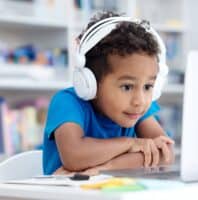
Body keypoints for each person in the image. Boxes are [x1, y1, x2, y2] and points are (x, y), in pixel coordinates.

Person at [42, 11, 175, 175]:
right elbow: (74, 156)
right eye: (127, 87)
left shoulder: (137, 109)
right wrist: (130, 144)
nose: (139, 101)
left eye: (148, 86)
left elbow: (165, 152)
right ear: (90, 83)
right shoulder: (67, 102)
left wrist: (106, 168)